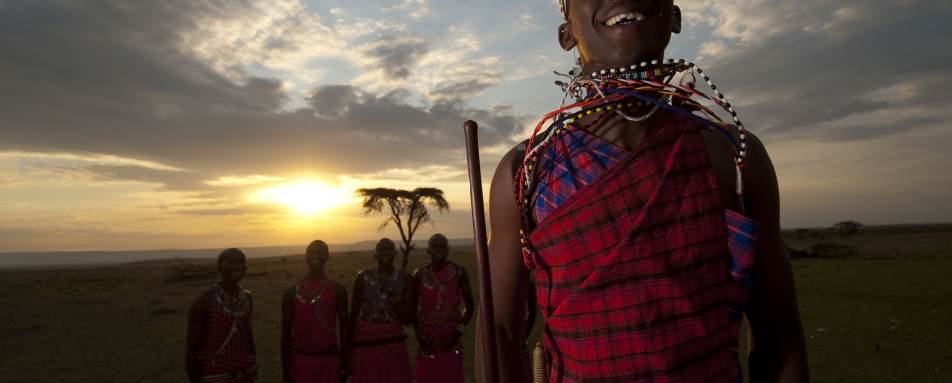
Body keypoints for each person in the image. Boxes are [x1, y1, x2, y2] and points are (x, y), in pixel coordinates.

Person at [480, 0, 810, 382]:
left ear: (673, 16)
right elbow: (500, 334)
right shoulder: (527, 170)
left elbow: (779, 333)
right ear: (566, 34)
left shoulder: (733, 158)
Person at [410, 234, 475, 383]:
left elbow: (470, 307)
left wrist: (456, 335)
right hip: (428, 343)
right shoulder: (419, 274)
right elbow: (412, 310)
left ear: (448, 249)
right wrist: (420, 336)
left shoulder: (459, 273)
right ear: (428, 250)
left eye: (442, 246)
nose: (439, 249)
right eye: (434, 246)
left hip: (451, 342)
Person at [281, 240, 349, 383]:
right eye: (311, 252)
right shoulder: (291, 293)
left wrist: (344, 363)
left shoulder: (338, 290)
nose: (316, 256)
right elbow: (285, 335)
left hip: (330, 360)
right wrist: (286, 370)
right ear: (305, 256)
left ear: (327, 256)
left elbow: (344, 329)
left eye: (320, 252)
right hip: (300, 361)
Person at [186, 248, 257, 383]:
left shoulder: (247, 298)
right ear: (219, 267)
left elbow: (248, 336)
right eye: (231, 262)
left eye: (241, 262)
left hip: (246, 373)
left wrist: (253, 364)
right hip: (215, 376)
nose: (238, 266)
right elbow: (191, 350)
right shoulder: (204, 301)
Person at [348, 238, 414, 383]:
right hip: (364, 347)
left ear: (395, 253)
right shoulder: (362, 278)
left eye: (389, 249)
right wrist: (348, 353)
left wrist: (392, 295)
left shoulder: (405, 279)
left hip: (393, 346)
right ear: (375, 255)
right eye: (381, 250)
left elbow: (408, 319)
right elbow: (352, 316)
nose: (385, 253)